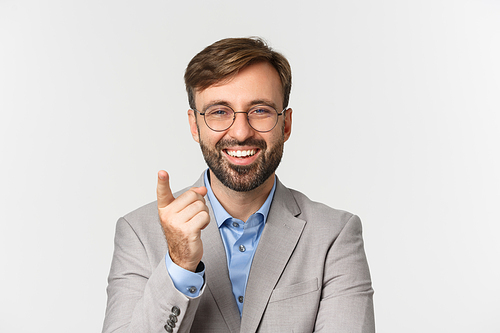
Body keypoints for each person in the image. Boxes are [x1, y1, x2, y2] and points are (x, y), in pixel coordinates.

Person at [102, 37, 375, 333]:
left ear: (286, 124)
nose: (241, 132)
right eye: (219, 112)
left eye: (260, 110)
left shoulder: (335, 234)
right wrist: (179, 264)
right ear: (195, 125)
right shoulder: (138, 233)